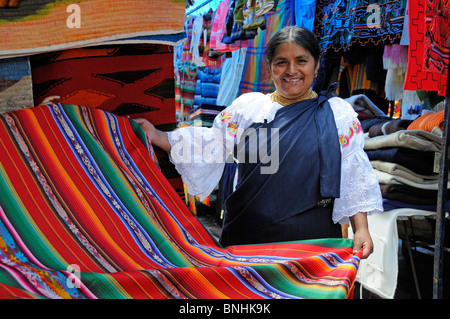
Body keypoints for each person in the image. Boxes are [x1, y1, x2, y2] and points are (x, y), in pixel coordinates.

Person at [134, 27, 383, 259]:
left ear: (317, 65)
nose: (291, 70)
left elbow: (352, 173)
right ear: (269, 67)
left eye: (301, 61)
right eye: (281, 62)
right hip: (249, 235)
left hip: (312, 239)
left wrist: (360, 228)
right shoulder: (250, 109)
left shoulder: (337, 115)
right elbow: (212, 144)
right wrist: (157, 136)